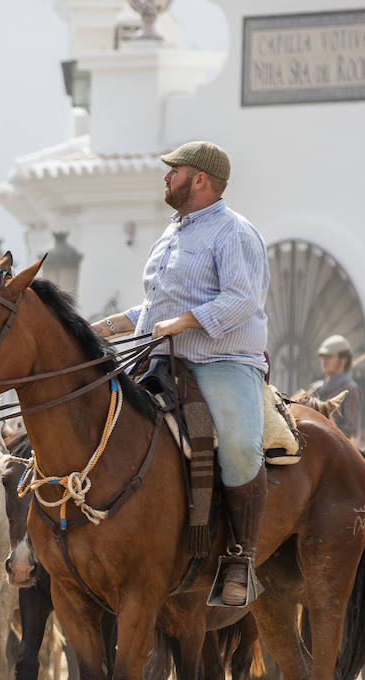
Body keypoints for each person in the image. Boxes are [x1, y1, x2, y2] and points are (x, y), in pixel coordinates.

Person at [92, 140, 269, 608]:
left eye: (175, 171)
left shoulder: (234, 232)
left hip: (221, 361)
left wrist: (186, 322)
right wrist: (104, 328)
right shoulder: (170, 234)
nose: (166, 177)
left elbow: (242, 300)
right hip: (161, 357)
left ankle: (239, 557)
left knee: (238, 445)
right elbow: (156, 308)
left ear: (200, 180)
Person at [309, 334, 362, 441]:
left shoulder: (350, 389)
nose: (324, 361)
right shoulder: (316, 388)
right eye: (323, 357)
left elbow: (350, 430)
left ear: (343, 360)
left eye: (329, 357)